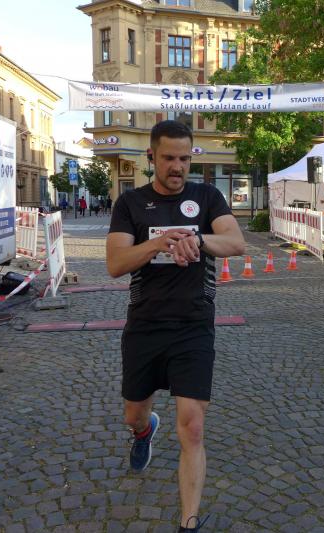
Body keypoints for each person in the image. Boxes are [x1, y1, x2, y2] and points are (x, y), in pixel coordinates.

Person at [106, 120, 245, 533]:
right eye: (169, 158)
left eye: (184, 158)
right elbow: (115, 264)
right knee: (133, 413)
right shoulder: (130, 203)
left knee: (193, 426)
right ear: (152, 156)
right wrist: (159, 242)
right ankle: (144, 431)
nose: (177, 167)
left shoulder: (207, 197)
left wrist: (199, 240)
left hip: (194, 326)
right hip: (145, 325)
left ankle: (189, 523)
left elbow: (236, 243)